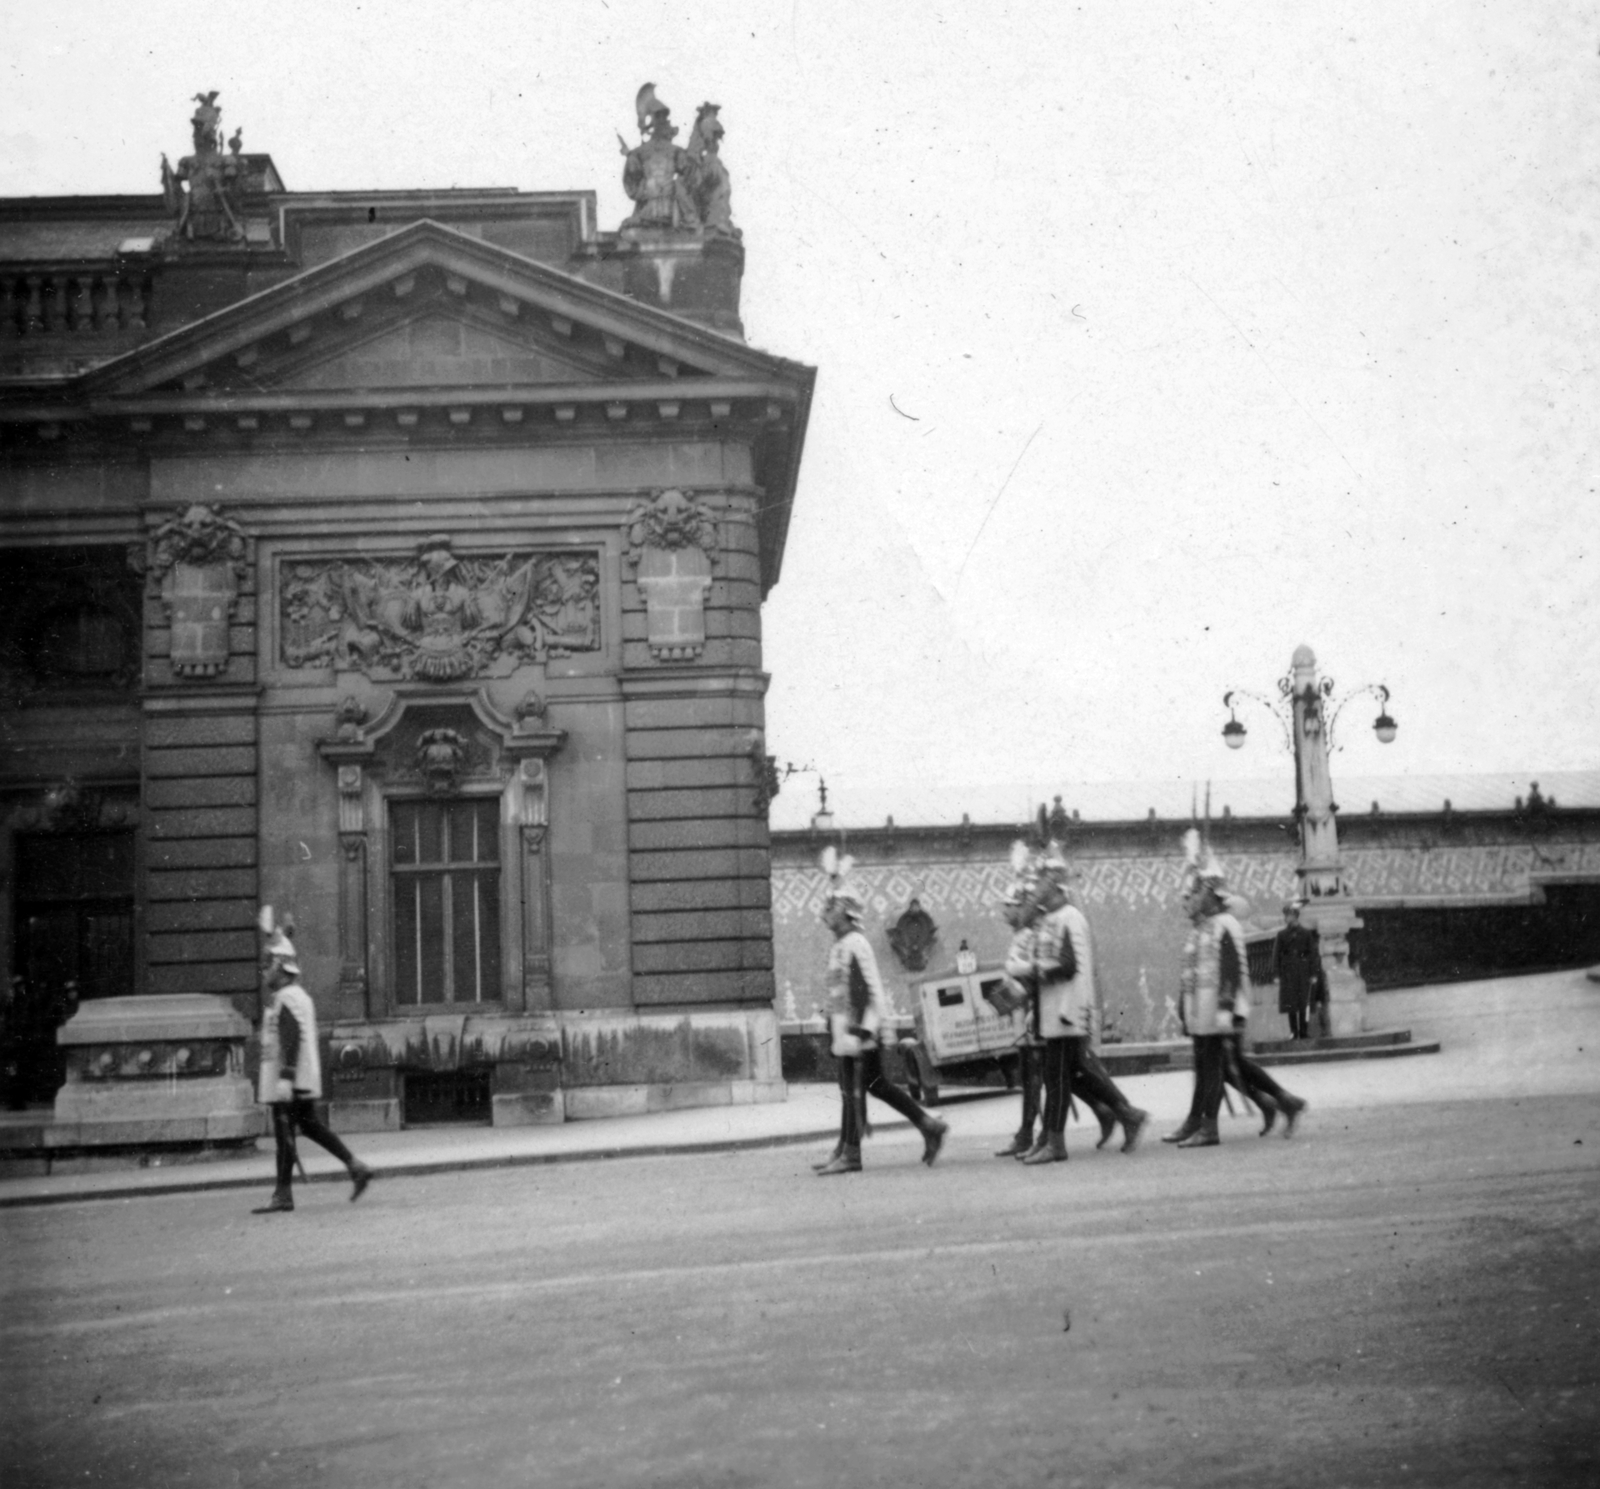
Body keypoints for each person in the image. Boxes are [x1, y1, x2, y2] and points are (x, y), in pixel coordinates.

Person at [1010, 850, 1148, 1165]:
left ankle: (1056, 1142)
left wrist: (1029, 968)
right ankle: (1126, 1115)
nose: (1034, 889)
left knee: (1058, 1077)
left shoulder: (1070, 917)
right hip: (1053, 1008)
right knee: (1067, 1073)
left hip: (1068, 1008)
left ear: (1054, 885)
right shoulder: (1049, 920)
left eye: (1040, 882)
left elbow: (1067, 965)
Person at [813, 856, 948, 1176]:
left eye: (832, 907)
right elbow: (841, 992)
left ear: (847, 912)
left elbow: (867, 991)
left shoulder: (855, 944)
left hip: (859, 1033)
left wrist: (861, 1032)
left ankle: (851, 1153)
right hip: (849, 1031)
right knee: (873, 1086)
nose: (825, 913)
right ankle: (926, 1125)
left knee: (856, 1089)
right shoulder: (842, 945)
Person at [255, 922, 373, 1213]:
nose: (264, 972)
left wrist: (285, 1078)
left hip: (290, 1082)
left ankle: (283, 1194)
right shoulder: (298, 997)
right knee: (310, 1127)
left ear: (281, 969)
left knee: (285, 1136)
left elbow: (291, 1038)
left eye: (268, 966)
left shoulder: (287, 998)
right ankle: (355, 1166)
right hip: (301, 1079)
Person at [1273, 900, 1321, 1041]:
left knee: (1304, 1002)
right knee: (1291, 1003)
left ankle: (1304, 1031)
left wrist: (1313, 973)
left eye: (1289, 915)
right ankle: (1294, 1031)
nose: (1286, 918)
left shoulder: (1306, 933)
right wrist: (1277, 974)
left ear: (1295, 916)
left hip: (1303, 971)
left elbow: (1312, 954)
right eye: (1286, 915)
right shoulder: (1282, 935)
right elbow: (1276, 955)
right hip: (1288, 972)